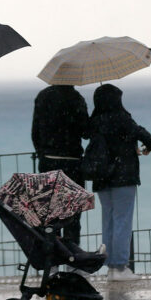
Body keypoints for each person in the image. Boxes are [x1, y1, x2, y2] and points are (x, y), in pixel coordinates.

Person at [88, 84, 151, 281]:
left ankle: (109, 267)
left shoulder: (95, 121)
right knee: (122, 221)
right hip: (123, 176)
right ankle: (121, 267)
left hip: (101, 176)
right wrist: (146, 146)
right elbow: (145, 135)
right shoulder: (122, 118)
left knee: (108, 221)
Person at [31, 84, 90, 245]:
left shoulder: (42, 96)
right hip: (73, 162)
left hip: (48, 161)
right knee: (73, 214)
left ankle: (52, 261)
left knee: (50, 214)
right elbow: (86, 132)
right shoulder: (77, 98)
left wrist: (43, 154)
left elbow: (35, 132)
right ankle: (72, 258)